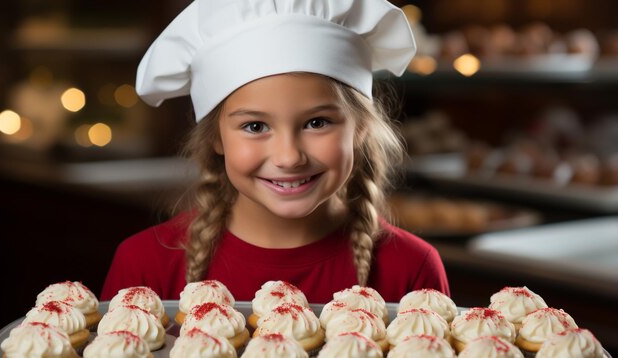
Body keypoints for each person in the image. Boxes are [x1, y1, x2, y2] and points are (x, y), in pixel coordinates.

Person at [101, 0, 449, 302]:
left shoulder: (412, 270)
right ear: (216, 138)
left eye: (317, 123)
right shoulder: (144, 265)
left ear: (360, 128)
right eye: (255, 126)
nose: (288, 157)